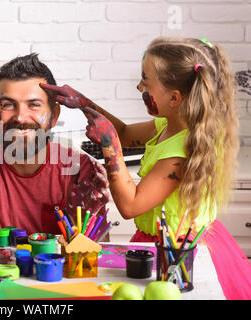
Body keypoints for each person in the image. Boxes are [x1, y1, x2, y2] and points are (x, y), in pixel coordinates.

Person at [41, 37, 251, 300]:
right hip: (158, 241)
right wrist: (84, 104)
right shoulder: (170, 124)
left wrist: (108, 146)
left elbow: (131, 206)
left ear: (174, 97)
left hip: (177, 254)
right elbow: (126, 134)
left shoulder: (184, 151)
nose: (138, 86)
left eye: (145, 80)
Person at [0, 53, 110, 242]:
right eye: (8, 105)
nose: (20, 117)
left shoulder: (81, 172)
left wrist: (82, 225)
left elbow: (96, 262)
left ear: (54, 115)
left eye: (34, 105)